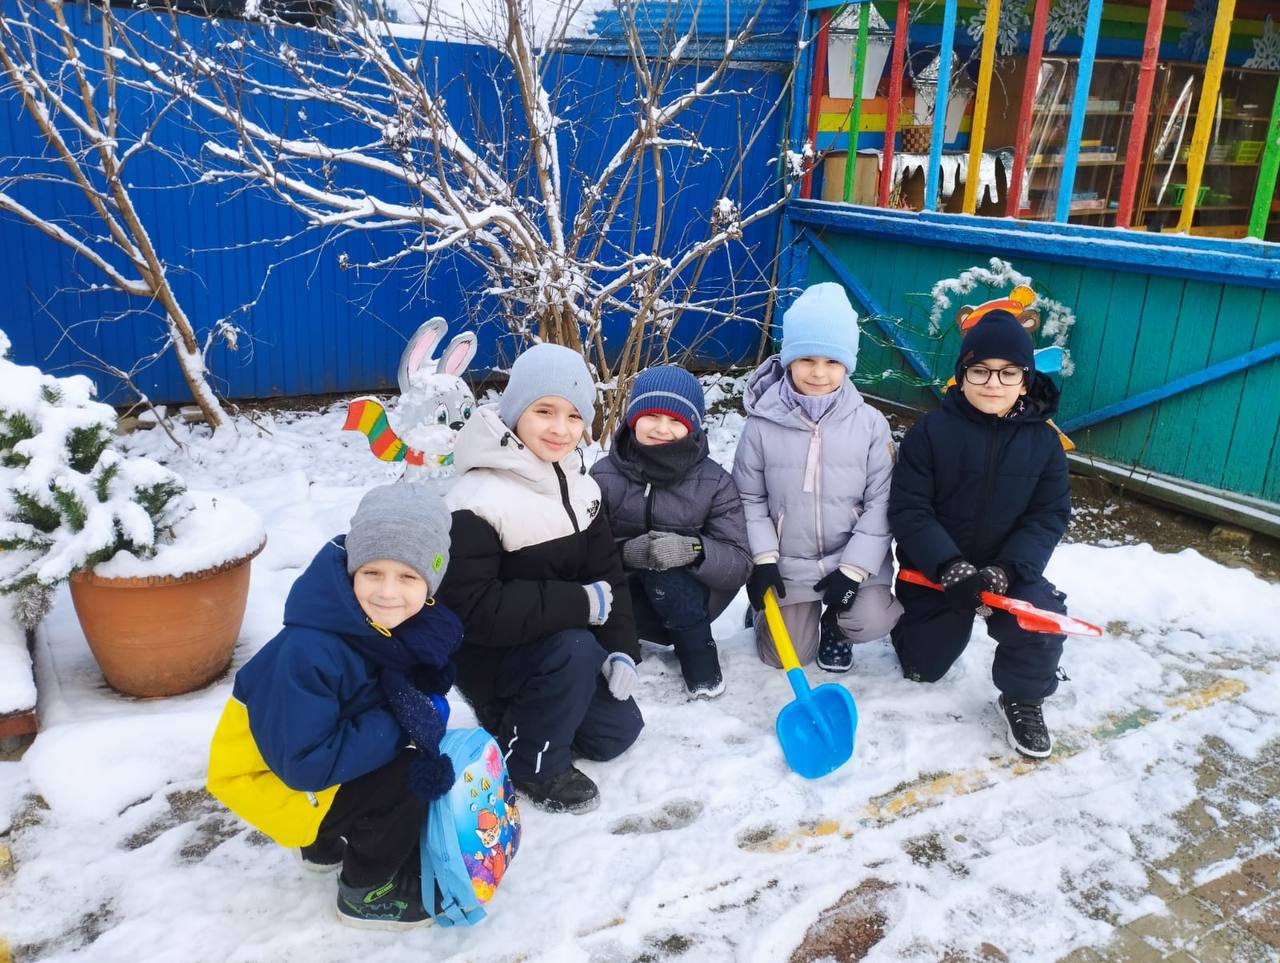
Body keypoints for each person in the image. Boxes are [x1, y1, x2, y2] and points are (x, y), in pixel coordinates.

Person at [207, 483, 461, 930]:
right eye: (372, 573)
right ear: (350, 570)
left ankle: (322, 842)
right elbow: (303, 765)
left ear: (433, 581)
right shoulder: (308, 651)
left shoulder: (379, 625)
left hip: (299, 754)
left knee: (392, 756)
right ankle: (367, 890)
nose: (387, 592)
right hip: (268, 777)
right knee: (405, 782)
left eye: (408, 577)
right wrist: (402, 724)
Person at [436, 343, 643, 815]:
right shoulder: (477, 498)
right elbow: (472, 609)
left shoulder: (582, 487)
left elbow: (608, 578)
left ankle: (531, 717)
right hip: (492, 659)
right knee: (574, 647)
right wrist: (579, 605)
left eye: (574, 416)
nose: (560, 428)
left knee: (616, 733)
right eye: (544, 410)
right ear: (515, 412)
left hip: (558, 654)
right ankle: (530, 764)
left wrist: (622, 651)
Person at [888, 309, 1072, 759]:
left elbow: (1048, 515)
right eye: (981, 371)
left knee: (1040, 622)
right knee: (923, 668)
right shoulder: (930, 432)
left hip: (1008, 568)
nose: (993, 383)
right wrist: (949, 565)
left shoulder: (1044, 443)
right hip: (938, 570)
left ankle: (1023, 698)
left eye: (1008, 373)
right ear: (962, 375)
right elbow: (909, 508)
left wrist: (1007, 571)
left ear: (1025, 380)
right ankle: (914, 634)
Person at [732, 282, 902, 673]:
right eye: (807, 358)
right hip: (790, 561)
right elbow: (749, 499)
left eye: (832, 361)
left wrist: (853, 570)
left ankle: (837, 629)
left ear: (848, 363)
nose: (819, 373)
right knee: (783, 656)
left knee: (870, 620)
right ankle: (767, 615)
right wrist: (763, 560)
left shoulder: (871, 425)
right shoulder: (761, 425)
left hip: (851, 559)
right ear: (789, 358)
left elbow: (882, 503)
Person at [591, 364, 751, 699]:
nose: (662, 429)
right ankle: (616, 650)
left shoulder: (714, 483)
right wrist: (626, 552)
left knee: (666, 577)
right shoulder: (603, 475)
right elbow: (585, 550)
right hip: (624, 596)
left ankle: (701, 663)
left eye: (676, 420)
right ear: (633, 417)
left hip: (691, 601)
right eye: (652, 416)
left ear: (692, 426)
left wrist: (694, 550)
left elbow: (738, 561)